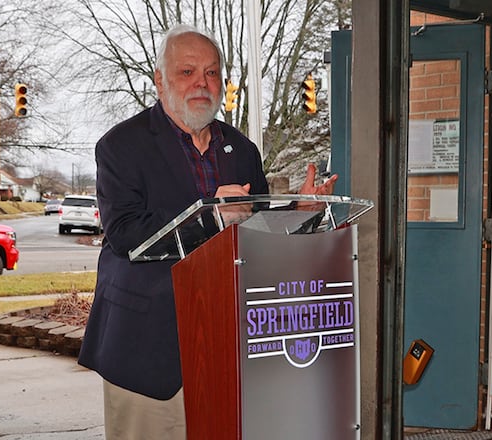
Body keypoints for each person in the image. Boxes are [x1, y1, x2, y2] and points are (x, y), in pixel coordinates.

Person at [77, 24, 338, 439]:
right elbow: (125, 233)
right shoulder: (120, 146)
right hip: (148, 347)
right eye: (187, 72)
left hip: (227, 343)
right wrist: (212, 217)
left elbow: (256, 232)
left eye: (212, 73)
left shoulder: (242, 150)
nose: (202, 83)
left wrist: (299, 211)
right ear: (159, 80)